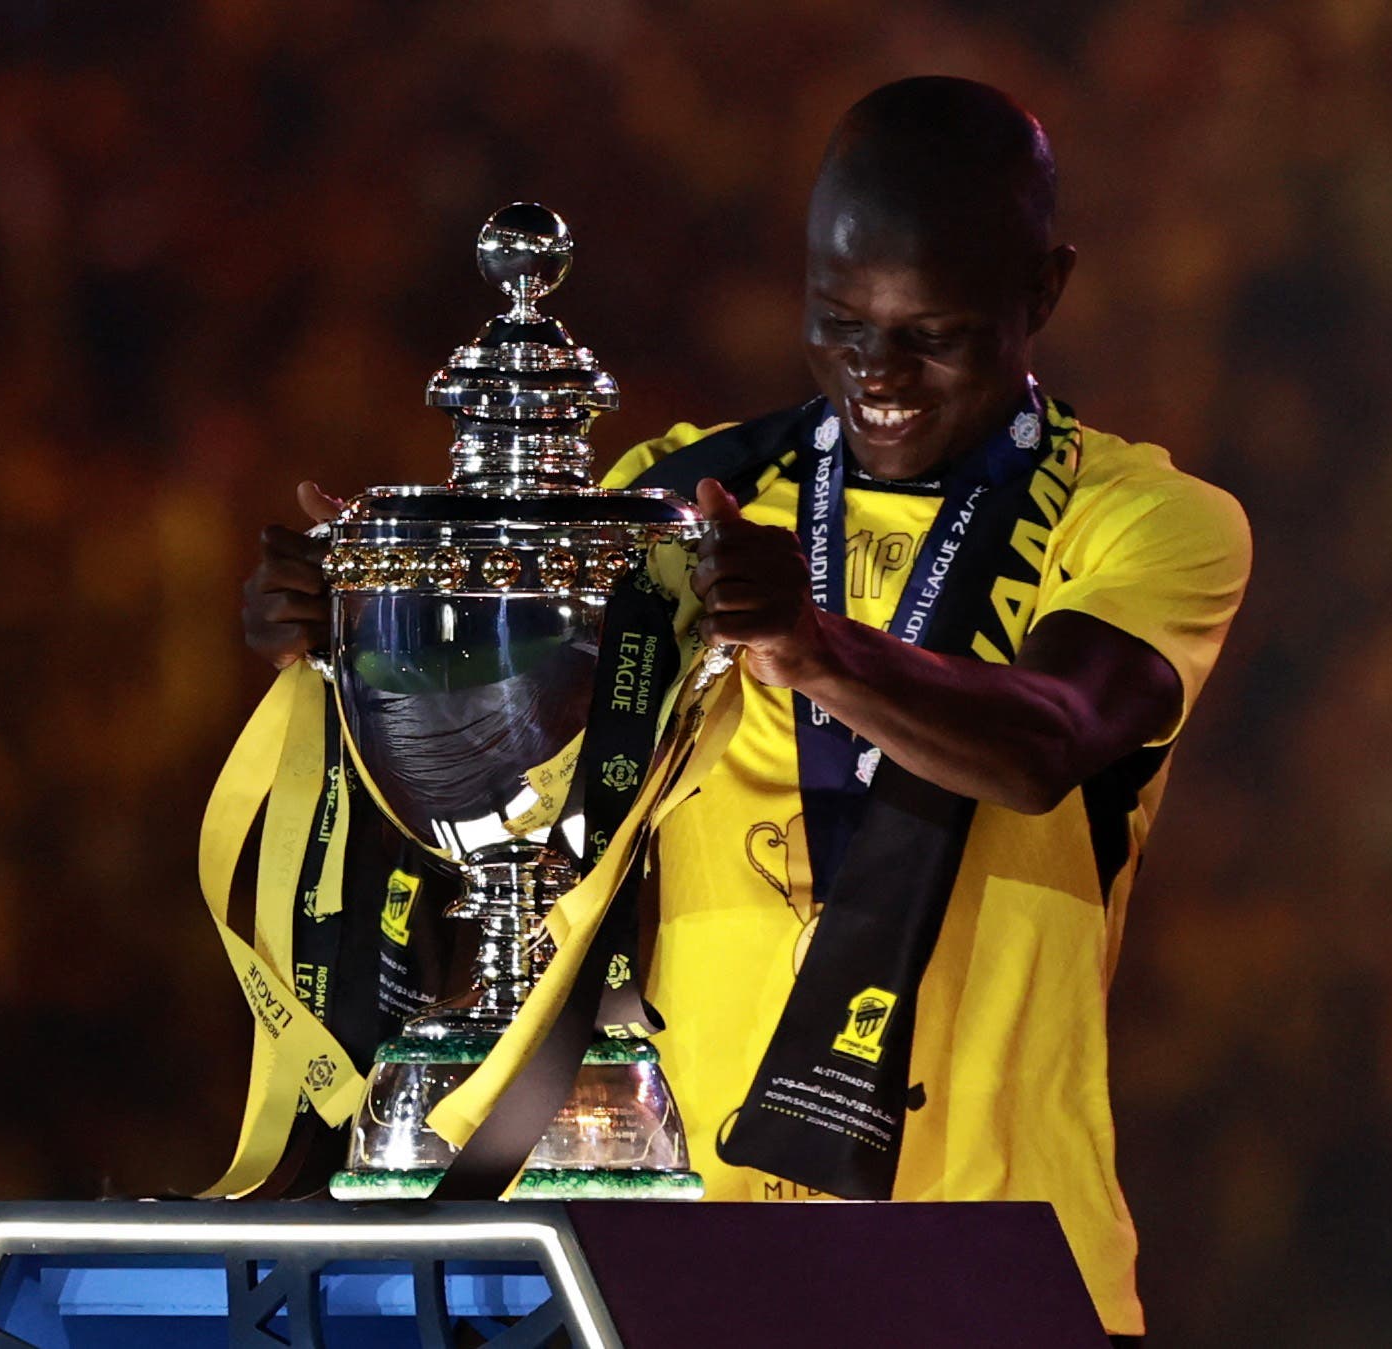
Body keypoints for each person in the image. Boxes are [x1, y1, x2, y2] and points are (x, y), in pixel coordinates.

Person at [242, 75, 1250, 1342]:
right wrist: (361, 645)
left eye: (930, 335)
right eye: (838, 323)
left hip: (1000, 1257)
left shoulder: (1152, 521)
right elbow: (519, 812)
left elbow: (1041, 737)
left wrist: (813, 645)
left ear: (1041, 294)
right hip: (679, 1261)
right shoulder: (667, 502)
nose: (874, 375)